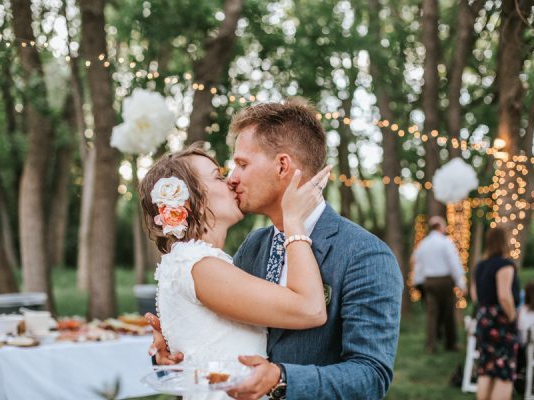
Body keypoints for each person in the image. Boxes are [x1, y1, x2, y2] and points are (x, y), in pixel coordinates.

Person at [148, 99, 403, 400]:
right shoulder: (253, 246)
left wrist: (283, 379)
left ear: (282, 166)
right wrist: (179, 348)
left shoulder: (365, 255)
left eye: (242, 164)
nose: (232, 178)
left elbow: (371, 376)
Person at [140, 143, 332, 399]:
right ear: (189, 203)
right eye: (218, 176)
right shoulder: (199, 266)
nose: (231, 181)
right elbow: (311, 309)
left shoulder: (194, 262)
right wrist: (293, 223)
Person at [473, 227, 520, 400]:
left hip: (484, 318)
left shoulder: (480, 266)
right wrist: (512, 316)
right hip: (500, 322)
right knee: (504, 372)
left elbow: (475, 295)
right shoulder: (505, 264)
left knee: (486, 369)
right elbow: (504, 296)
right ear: (505, 241)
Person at [412, 216, 466, 353]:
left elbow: (418, 265)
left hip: (429, 282)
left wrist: (417, 282)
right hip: (445, 281)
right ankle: (451, 343)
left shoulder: (423, 244)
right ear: (440, 227)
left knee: (432, 314)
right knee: (448, 313)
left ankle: (431, 345)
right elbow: (454, 263)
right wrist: (461, 283)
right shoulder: (446, 242)